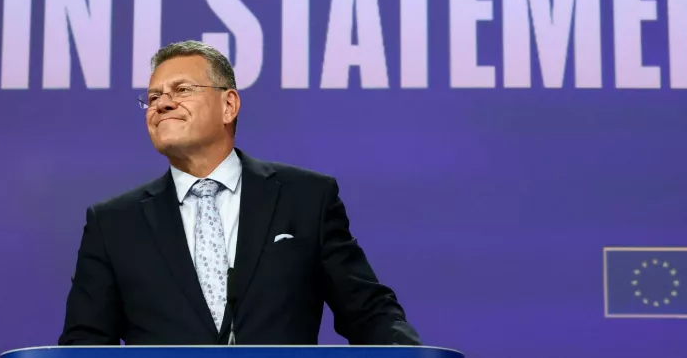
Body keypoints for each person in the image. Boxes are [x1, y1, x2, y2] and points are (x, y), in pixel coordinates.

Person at [58, 40, 420, 346]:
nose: (162, 104)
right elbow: (84, 343)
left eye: (182, 90)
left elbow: (368, 311)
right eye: (153, 97)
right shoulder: (113, 224)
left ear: (228, 105)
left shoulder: (305, 197)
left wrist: (412, 354)